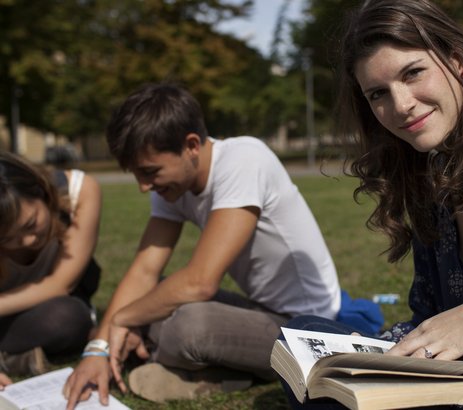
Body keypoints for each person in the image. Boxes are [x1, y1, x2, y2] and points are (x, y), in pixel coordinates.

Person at [278, 0, 463, 408]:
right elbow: (432, 317)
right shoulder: (432, 174)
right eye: (378, 93)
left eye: (413, 73)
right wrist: (375, 351)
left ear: (457, 63)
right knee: (302, 338)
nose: (401, 105)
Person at [63, 83, 343, 407]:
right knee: (159, 297)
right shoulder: (174, 187)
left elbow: (200, 283)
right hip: (261, 312)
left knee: (188, 326)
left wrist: (122, 320)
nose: (143, 187)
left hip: (308, 328)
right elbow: (144, 271)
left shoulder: (243, 159)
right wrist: (97, 349)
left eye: (150, 171)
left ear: (191, 145)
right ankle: (211, 365)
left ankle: (219, 374)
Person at [0, 150, 102, 388]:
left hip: (45, 308)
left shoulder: (80, 190)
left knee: (70, 319)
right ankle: (14, 358)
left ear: (41, 191)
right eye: (6, 239)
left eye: (30, 224)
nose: (27, 241)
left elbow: (60, 284)